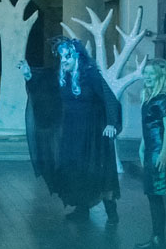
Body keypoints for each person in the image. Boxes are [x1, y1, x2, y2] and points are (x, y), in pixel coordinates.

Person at [51, 37, 121, 223]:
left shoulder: (90, 74)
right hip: (73, 132)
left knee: (96, 170)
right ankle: (82, 209)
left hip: (92, 134)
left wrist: (111, 123)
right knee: (76, 169)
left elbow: (110, 99)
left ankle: (111, 212)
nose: (63, 60)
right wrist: (29, 75)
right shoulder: (64, 76)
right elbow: (46, 92)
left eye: (67, 56)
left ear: (77, 57)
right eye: (61, 57)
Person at [135, 59, 166, 249]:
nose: (146, 77)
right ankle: (156, 238)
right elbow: (148, 125)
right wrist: (142, 145)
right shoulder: (149, 97)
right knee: (152, 195)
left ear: (160, 76)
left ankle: (158, 241)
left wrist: (164, 153)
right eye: (145, 73)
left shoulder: (164, 98)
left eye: (150, 74)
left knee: (155, 195)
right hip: (150, 149)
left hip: (158, 150)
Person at [17, 59, 62, 193]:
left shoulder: (84, 74)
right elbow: (37, 89)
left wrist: (112, 123)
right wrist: (28, 76)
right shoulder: (51, 77)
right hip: (54, 122)